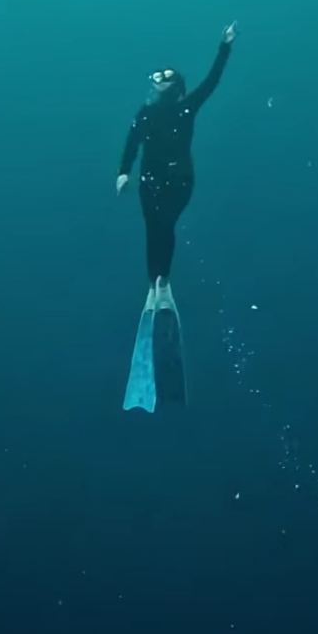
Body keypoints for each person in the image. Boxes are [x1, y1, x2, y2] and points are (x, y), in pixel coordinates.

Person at [117, 23, 237, 412]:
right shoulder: (145, 113)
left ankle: (162, 280)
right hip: (149, 184)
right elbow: (131, 142)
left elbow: (212, 82)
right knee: (152, 229)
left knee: (164, 225)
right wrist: (123, 171)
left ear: (175, 89)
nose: (155, 87)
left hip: (179, 183)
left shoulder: (186, 106)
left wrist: (224, 47)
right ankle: (154, 285)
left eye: (162, 82)